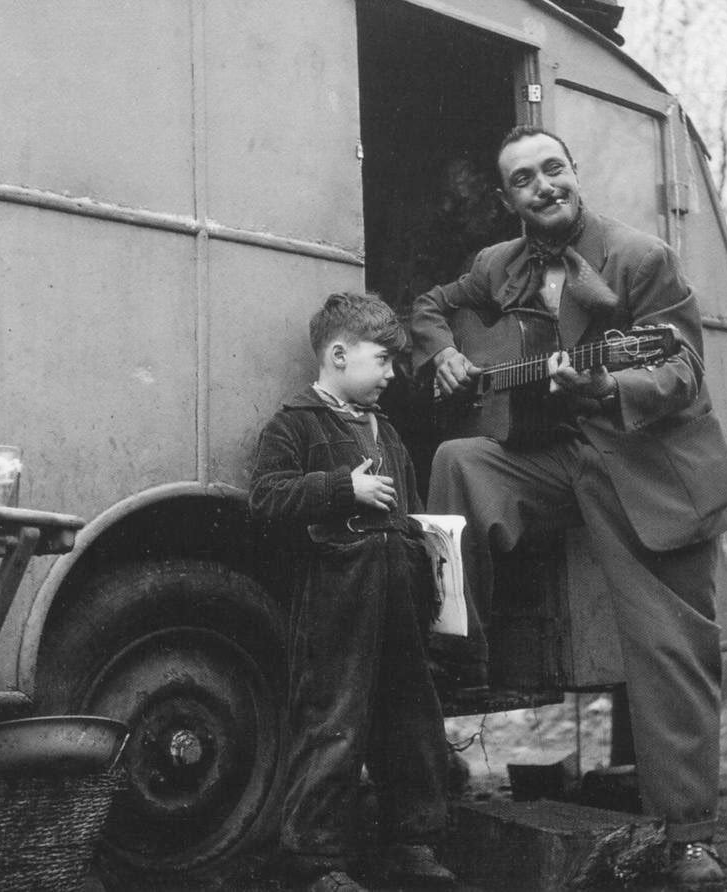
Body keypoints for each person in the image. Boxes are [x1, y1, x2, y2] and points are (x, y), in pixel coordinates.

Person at [410, 125, 727, 890]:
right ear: (509, 199)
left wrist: (608, 385)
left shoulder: (639, 257)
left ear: (574, 171)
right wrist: (445, 351)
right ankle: (458, 657)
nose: (544, 186)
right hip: (555, 460)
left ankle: (688, 837)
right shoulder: (498, 265)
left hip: (645, 466)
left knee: (668, 649)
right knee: (459, 460)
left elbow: (684, 370)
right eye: (523, 179)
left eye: (552, 168)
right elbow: (431, 305)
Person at [249, 292, 456, 892]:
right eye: (383, 360)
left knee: (412, 718)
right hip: (335, 600)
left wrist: (427, 564)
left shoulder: (384, 430)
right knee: (332, 721)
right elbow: (266, 498)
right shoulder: (294, 424)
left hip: (398, 599)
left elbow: (411, 511)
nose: (392, 374)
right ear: (339, 355)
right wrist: (344, 489)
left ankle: (412, 843)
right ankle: (314, 862)